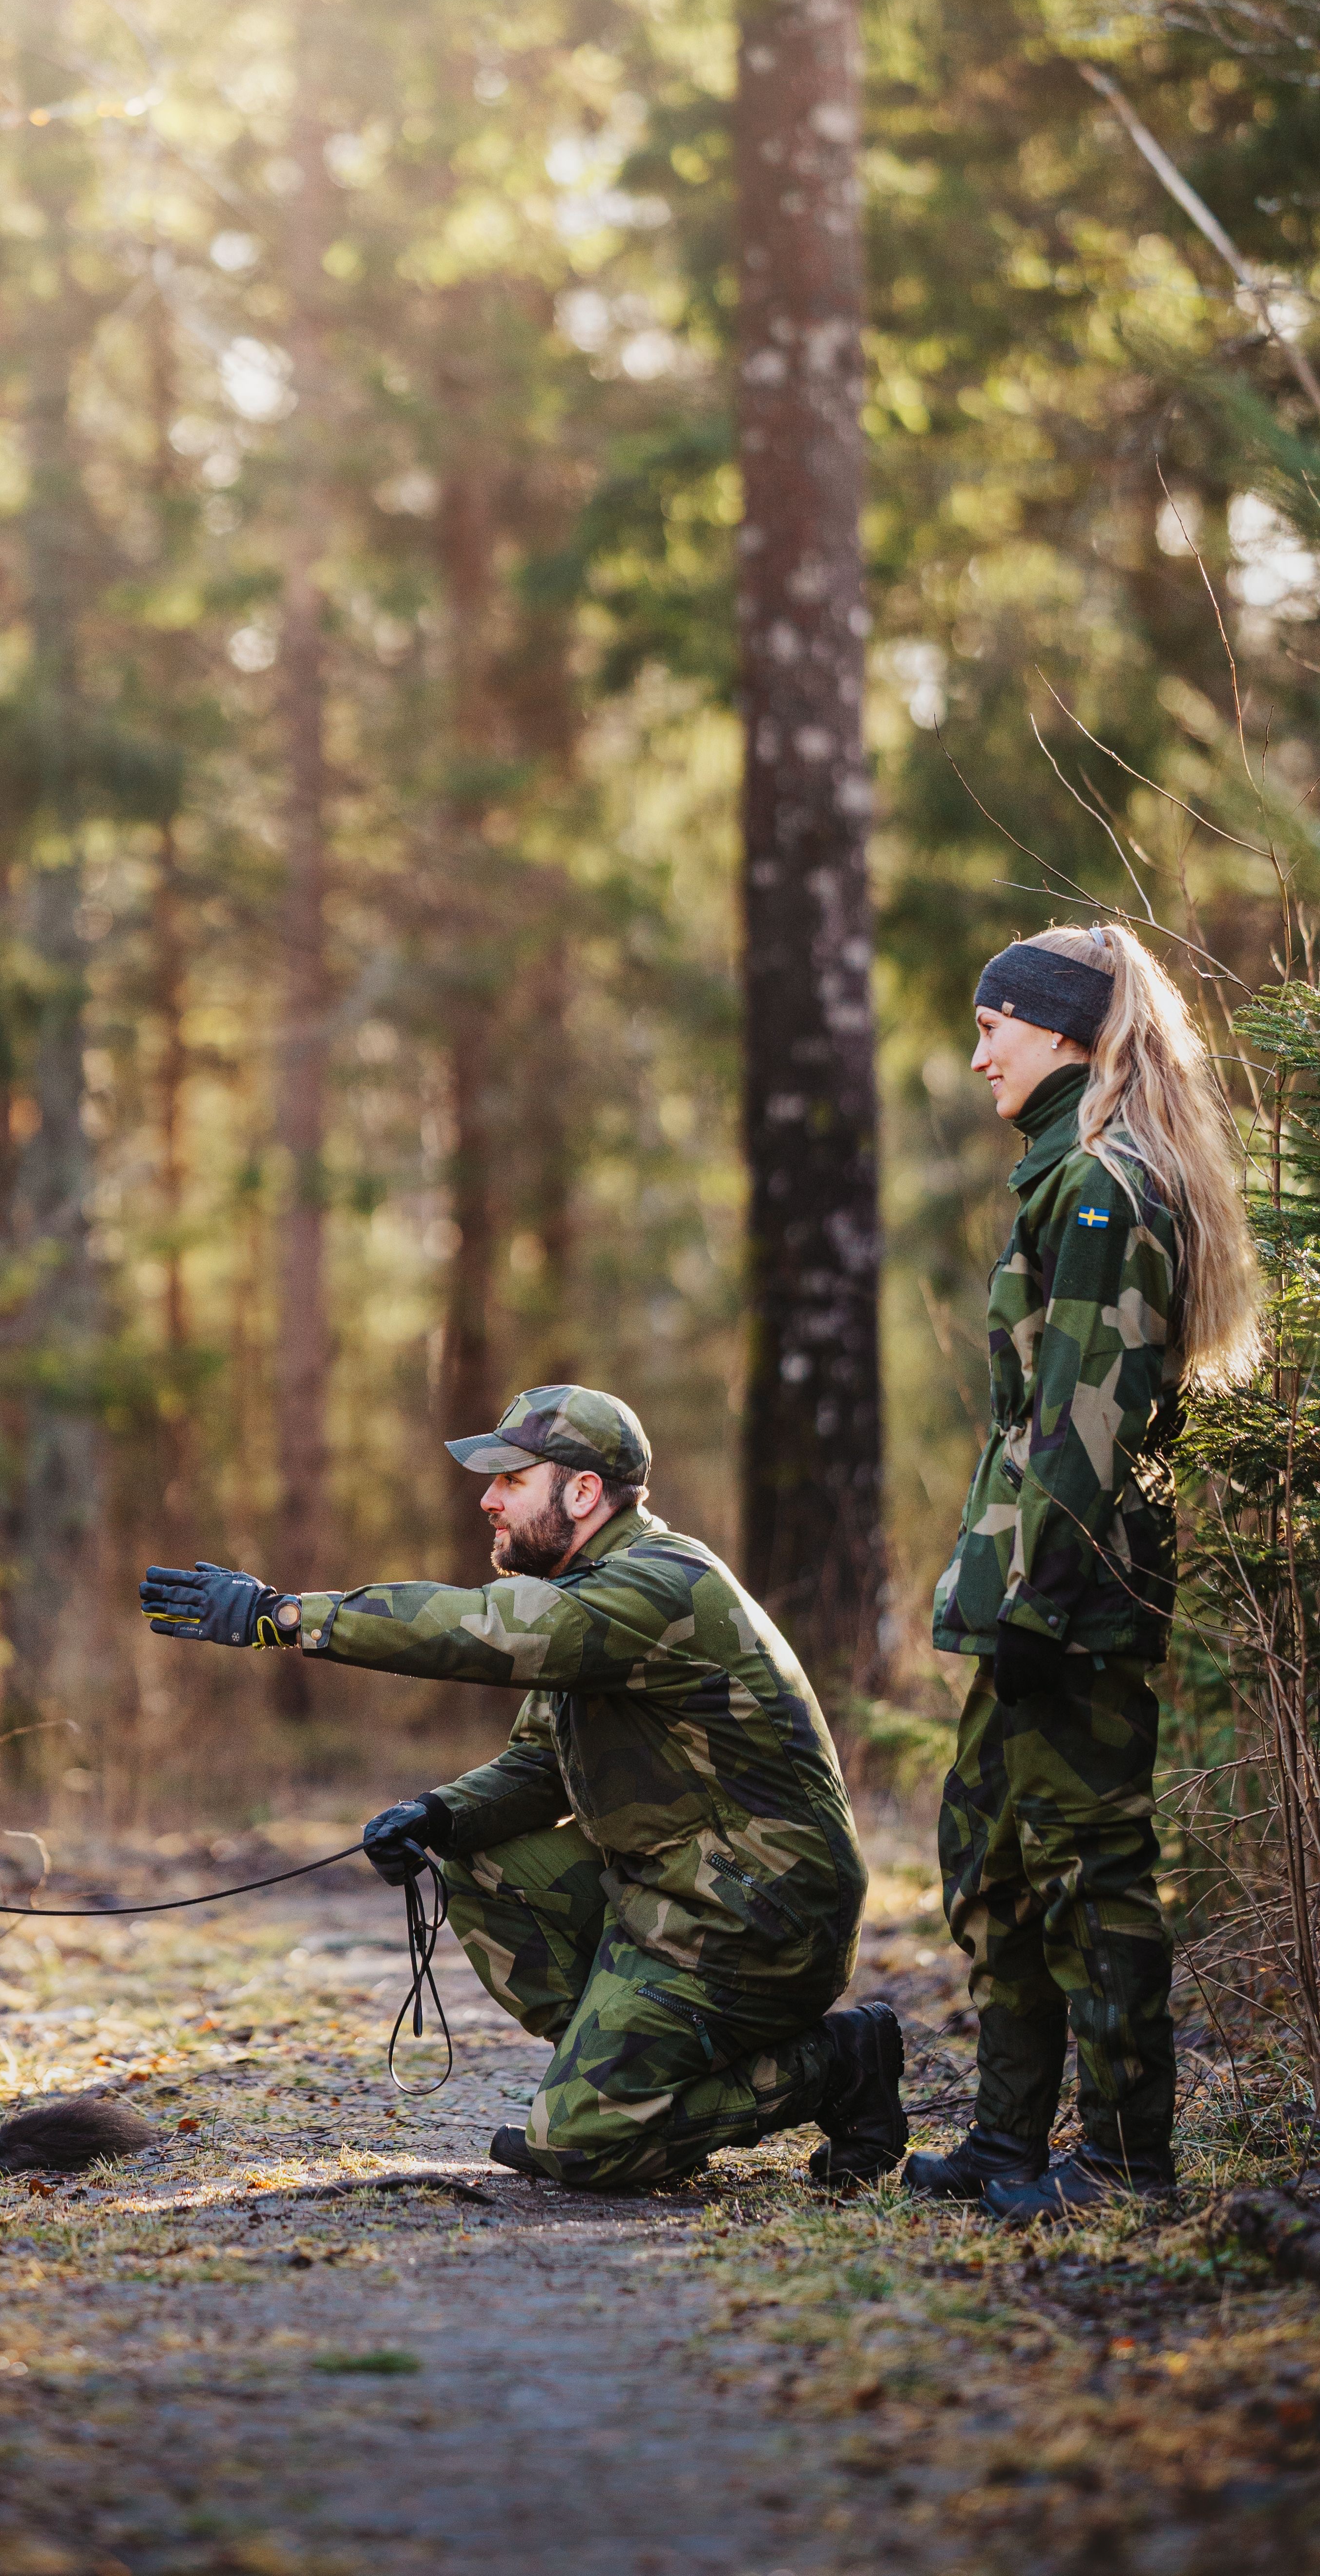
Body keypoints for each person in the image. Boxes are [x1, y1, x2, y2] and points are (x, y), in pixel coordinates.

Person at [140, 1383, 903, 2194]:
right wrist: (438, 1815)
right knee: (475, 1850)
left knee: (583, 2150)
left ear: (582, 1493)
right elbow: (542, 1766)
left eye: (512, 1480)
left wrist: (288, 1616)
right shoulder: (589, 1593)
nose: (487, 1500)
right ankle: (619, 2080)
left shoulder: (656, 1588)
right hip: (677, 1905)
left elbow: (482, 1627)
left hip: (763, 1921)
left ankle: (835, 2065)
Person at [905, 924, 1258, 2219]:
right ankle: (1007, 2143)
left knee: (1089, 1862)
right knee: (993, 1853)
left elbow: (1087, 1421)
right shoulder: (1066, 1172)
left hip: (1077, 1588)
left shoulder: (1107, 1184)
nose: (977, 1046)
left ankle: (1121, 2163)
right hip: (1034, 1577)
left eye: (994, 1021)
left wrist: (1036, 1601)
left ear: (1060, 1030)